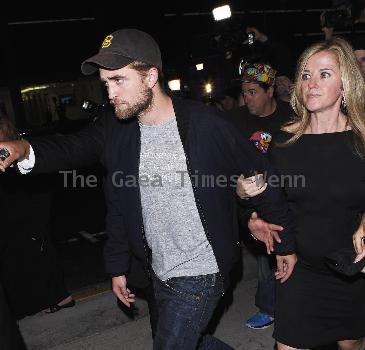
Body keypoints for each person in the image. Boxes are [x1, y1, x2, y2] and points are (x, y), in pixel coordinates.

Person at [0, 29, 297, 349]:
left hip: (202, 271)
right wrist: (23, 149)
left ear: (151, 75)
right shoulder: (117, 131)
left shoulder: (204, 123)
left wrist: (286, 243)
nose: (110, 93)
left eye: (119, 80)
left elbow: (260, 173)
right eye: (106, 84)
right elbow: (95, 176)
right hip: (157, 271)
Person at [237, 37, 365, 350]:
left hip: (351, 269)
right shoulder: (283, 142)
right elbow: (268, 199)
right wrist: (247, 207)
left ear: (346, 84)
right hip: (298, 267)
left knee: (352, 345)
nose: (311, 83)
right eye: (306, 75)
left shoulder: (361, 141)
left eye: (324, 74)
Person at [227, 62, 293, 330]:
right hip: (251, 201)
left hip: (288, 195)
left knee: (288, 254)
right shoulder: (234, 120)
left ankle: (286, 305)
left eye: (253, 92)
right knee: (268, 252)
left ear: (270, 91)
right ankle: (270, 306)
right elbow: (221, 162)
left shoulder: (292, 118)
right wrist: (236, 186)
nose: (247, 98)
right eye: (244, 93)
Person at [0, 115, 75, 318]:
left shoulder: (12, 148)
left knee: (28, 251)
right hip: (27, 207)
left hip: (24, 206)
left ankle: (49, 299)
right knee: (33, 248)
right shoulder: (15, 142)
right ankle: (54, 297)